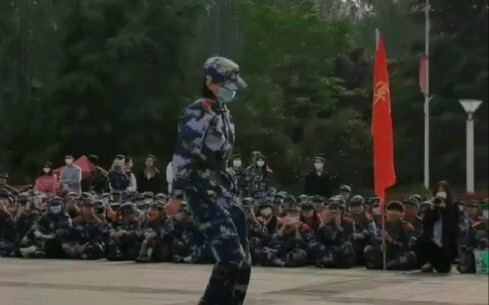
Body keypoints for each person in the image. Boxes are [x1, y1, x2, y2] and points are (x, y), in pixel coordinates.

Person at [165, 56, 250, 305]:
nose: (230, 92)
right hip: (201, 188)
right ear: (211, 83)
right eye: (226, 85)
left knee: (243, 260)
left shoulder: (222, 111)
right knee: (230, 257)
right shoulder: (198, 111)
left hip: (222, 187)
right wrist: (177, 195)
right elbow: (183, 154)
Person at [416, 181, 460, 273]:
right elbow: (426, 223)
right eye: (438, 190)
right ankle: (429, 262)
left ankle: (442, 263)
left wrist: (444, 208)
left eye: (442, 190)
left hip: (446, 245)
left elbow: (452, 225)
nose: (440, 193)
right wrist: (433, 208)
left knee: (443, 269)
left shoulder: (453, 207)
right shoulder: (431, 207)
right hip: (433, 243)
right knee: (420, 242)